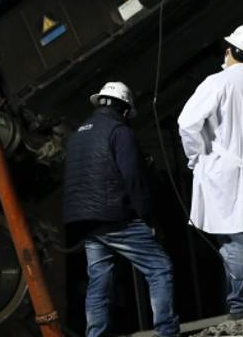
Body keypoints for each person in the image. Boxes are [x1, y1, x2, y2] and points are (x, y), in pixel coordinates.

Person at [177, 23, 243, 320]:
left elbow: (187, 123)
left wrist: (196, 154)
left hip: (224, 174)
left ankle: (240, 308)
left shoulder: (218, 82)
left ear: (231, 51)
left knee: (233, 241)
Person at [64, 82, 180, 337]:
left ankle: (95, 334)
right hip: (114, 217)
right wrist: (147, 217)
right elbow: (133, 178)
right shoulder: (120, 131)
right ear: (125, 110)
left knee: (99, 280)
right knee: (159, 267)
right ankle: (167, 331)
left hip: (84, 221)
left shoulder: (78, 134)